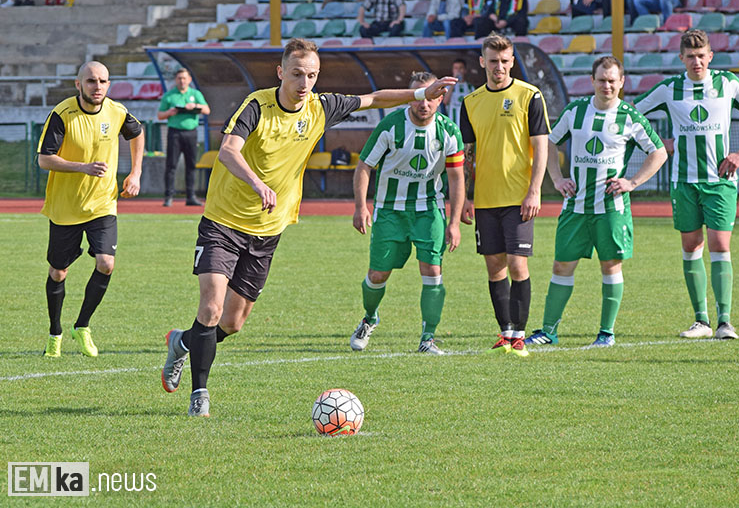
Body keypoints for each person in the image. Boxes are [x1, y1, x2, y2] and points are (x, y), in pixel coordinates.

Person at [160, 38, 456, 417]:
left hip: (268, 229)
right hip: (224, 222)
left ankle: (183, 343)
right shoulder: (257, 106)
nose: (304, 82)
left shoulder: (321, 106)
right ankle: (199, 394)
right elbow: (229, 151)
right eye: (297, 73)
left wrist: (420, 92)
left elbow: (375, 98)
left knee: (233, 323)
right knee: (213, 307)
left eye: (312, 75)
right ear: (281, 72)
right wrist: (258, 183)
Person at [633, 29, 739, 340]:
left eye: (701, 55)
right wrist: (658, 144)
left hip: (720, 182)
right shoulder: (669, 89)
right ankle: (701, 321)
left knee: (720, 246)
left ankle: (725, 322)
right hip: (683, 182)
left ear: (711, 56)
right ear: (681, 58)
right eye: (690, 56)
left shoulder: (727, 83)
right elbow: (630, 115)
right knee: (691, 246)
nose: (696, 61)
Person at [526, 56, 666, 348]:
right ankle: (549, 331)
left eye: (612, 80)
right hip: (575, 207)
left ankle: (606, 333)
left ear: (622, 82)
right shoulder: (576, 111)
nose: (606, 85)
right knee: (561, 266)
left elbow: (659, 152)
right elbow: (550, 142)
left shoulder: (629, 116)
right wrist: (556, 178)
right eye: (601, 80)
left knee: (610, 266)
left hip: (611, 208)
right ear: (592, 81)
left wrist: (632, 182)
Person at [350, 71, 465, 355]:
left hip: (429, 211)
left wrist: (454, 222)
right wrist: (360, 206)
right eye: (419, 97)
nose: (424, 103)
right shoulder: (391, 127)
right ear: (410, 98)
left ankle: (428, 338)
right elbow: (364, 166)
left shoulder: (448, 131)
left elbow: (457, 178)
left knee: (433, 271)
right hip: (390, 211)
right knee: (377, 275)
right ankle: (369, 318)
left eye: (431, 96)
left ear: (441, 98)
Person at [38, 61, 144, 358]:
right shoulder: (63, 114)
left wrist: (135, 173)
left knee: (106, 263)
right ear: (78, 84)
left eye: (103, 81)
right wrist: (82, 167)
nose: (97, 87)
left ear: (108, 84)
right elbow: (45, 159)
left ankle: (82, 326)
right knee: (59, 272)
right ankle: (54, 333)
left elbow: (137, 133)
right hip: (65, 208)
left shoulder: (117, 111)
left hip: (103, 204)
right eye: (91, 81)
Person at [459, 32, 550, 357]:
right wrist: (466, 197)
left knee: (517, 264)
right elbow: (468, 154)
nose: (499, 66)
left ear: (512, 62)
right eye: (493, 61)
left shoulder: (530, 96)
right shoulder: (470, 102)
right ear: (483, 62)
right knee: (494, 266)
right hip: (484, 199)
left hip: (519, 197)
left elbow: (541, 148)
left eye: (505, 61)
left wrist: (535, 190)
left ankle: (520, 336)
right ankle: (505, 334)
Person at [157, 68, 211, 207]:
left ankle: (191, 196)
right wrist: (171, 112)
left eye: (184, 78)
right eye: (179, 78)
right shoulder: (169, 95)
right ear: (176, 80)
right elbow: (160, 115)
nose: (182, 81)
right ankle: (168, 196)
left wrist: (195, 106)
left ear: (189, 80)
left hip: (191, 133)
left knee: (191, 165)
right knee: (171, 165)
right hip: (174, 133)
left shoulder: (195, 94)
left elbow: (207, 110)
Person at [442, 58, 474, 128]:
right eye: (456, 68)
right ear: (453, 70)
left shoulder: (470, 87)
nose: (458, 70)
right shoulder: (449, 86)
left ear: (465, 70)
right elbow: (445, 101)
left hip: (466, 123)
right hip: (452, 123)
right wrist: (453, 83)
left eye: (461, 68)